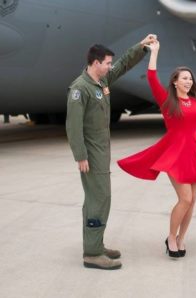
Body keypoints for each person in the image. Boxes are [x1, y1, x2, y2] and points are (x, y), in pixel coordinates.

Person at [117, 40, 196, 258]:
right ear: (175, 82)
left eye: (190, 79)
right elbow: (151, 78)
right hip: (175, 154)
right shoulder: (167, 101)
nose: (188, 81)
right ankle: (170, 237)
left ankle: (181, 238)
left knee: (193, 201)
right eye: (184, 78)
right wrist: (155, 52)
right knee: (185, 198)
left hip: (195, 153)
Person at [66, 34, 157, 270]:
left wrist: (142, 46)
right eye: (106, 63)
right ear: (95, 63)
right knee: (99, 199)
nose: (109, 66)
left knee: (100, 199)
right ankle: (93, 253)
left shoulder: (102, 82)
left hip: (100, 152)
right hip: (91, 155)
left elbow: (124, 62)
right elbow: (73, 126)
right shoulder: (80, 88)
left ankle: (96, 244)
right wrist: (81, 155)